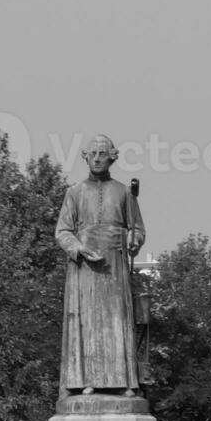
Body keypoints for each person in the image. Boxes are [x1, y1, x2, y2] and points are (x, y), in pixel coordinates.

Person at [55, 134, 145, 397]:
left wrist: (133, 241)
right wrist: (78, 248)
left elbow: (137, 229)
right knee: (88, 323)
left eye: (102, 154)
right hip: (85, 267)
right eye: (92, 154)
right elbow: (62, 231)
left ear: (112, 157)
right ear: (85, 156)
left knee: (117, 321)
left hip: (114, 265)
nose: (96, 158)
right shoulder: (74, 193)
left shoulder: (124, 192)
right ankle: (86, 380)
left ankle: (123, 382)